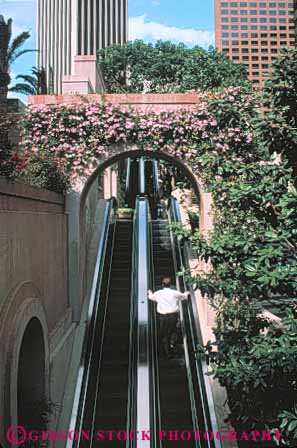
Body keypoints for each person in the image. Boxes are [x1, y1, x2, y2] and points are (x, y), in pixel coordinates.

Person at [148, 277, 190, 359]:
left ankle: (166, 352)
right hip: (173, 317)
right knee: (172, 332)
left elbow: (151, 297)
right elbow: (184, 296)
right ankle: (172, 347)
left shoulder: (158, 293)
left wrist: (149, 292)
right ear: (170, 285)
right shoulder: (174, 293)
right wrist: (186, 293)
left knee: (164, 334)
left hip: (163, 317)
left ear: (162, 285)